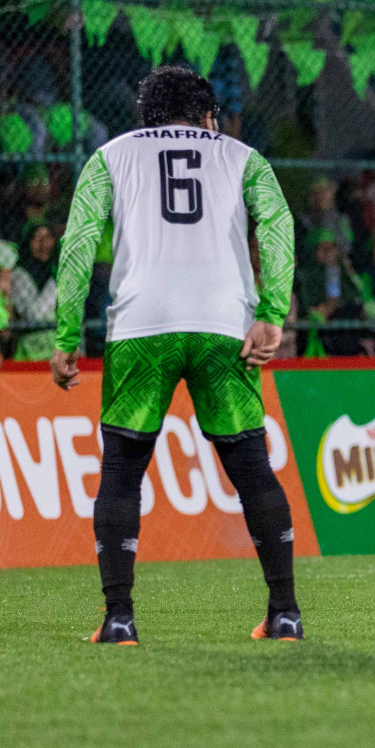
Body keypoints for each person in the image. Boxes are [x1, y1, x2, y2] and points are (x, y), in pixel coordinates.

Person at [51, 65, 301, 646]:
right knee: (252, 469)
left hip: (142, 325)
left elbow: (78, 245)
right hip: (225, 326)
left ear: (148, 117)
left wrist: (67, 337)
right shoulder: (243, 157)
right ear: (207, 114)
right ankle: (284, 612)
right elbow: (279, 226)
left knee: (121, 473)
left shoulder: (110, 157)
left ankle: (120, 620)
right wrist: (272, 311)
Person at [295, 229, 371, 357]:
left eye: (332, 247)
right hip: (313, 342)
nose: (328, 252)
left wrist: (337, 271)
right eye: (322, 248)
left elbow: (357, 300)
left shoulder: (345, 276)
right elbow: (308, 308)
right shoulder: (303, 277)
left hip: (345, 341)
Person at [10, 223, 59, 361]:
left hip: (55, 346)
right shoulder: (19, 273)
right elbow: (34, 315)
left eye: (47, 237)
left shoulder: (56, 269)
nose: (43, 244)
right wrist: (55, 282)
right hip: (28, 345)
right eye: (37, 238)